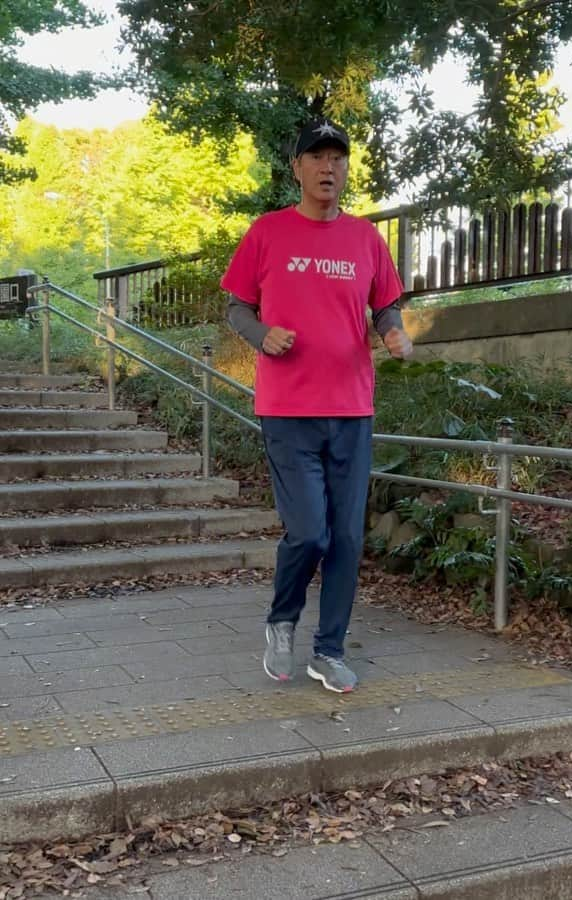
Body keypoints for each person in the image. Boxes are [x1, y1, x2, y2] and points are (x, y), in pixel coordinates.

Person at [220, 117, 412, 694]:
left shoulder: (365, 239)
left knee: (348, 538)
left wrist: (393, 333)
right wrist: (261, 335)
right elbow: (236, 308)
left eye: (339, 158)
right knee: (309, 534)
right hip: (288, 409)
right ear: (297, 168)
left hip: (352, 409)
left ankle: (328, 650)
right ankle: (282, 619)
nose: (330, 167)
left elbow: (386, 306)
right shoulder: (268, 232)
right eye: (318, 157)